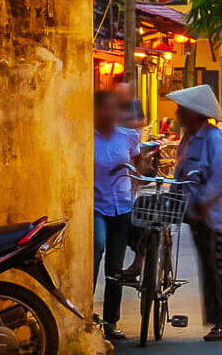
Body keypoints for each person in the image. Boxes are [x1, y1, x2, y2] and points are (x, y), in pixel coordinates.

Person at [170, 85, 222, 342]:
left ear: (194, 113)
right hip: (196, 213)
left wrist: (205, 204)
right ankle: (216, 322)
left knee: (217, 267)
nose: (178, 114)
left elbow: (221, 178)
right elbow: (181, 172)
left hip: (215, 216)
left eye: (182, 110)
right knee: (207, 268)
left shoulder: (213, 138)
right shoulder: (188, 139)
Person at [93, 89, 140, 343]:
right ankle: (84, 316)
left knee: (115, 267)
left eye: (114, 108)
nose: (110, 113)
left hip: (122, 205)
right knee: (96, 246)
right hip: (97, 205)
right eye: (106, 108)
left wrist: (135, 181)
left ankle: (111, 322)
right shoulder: (88, 138)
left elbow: (137, 159)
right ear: (97, 110)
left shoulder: (128, 137)